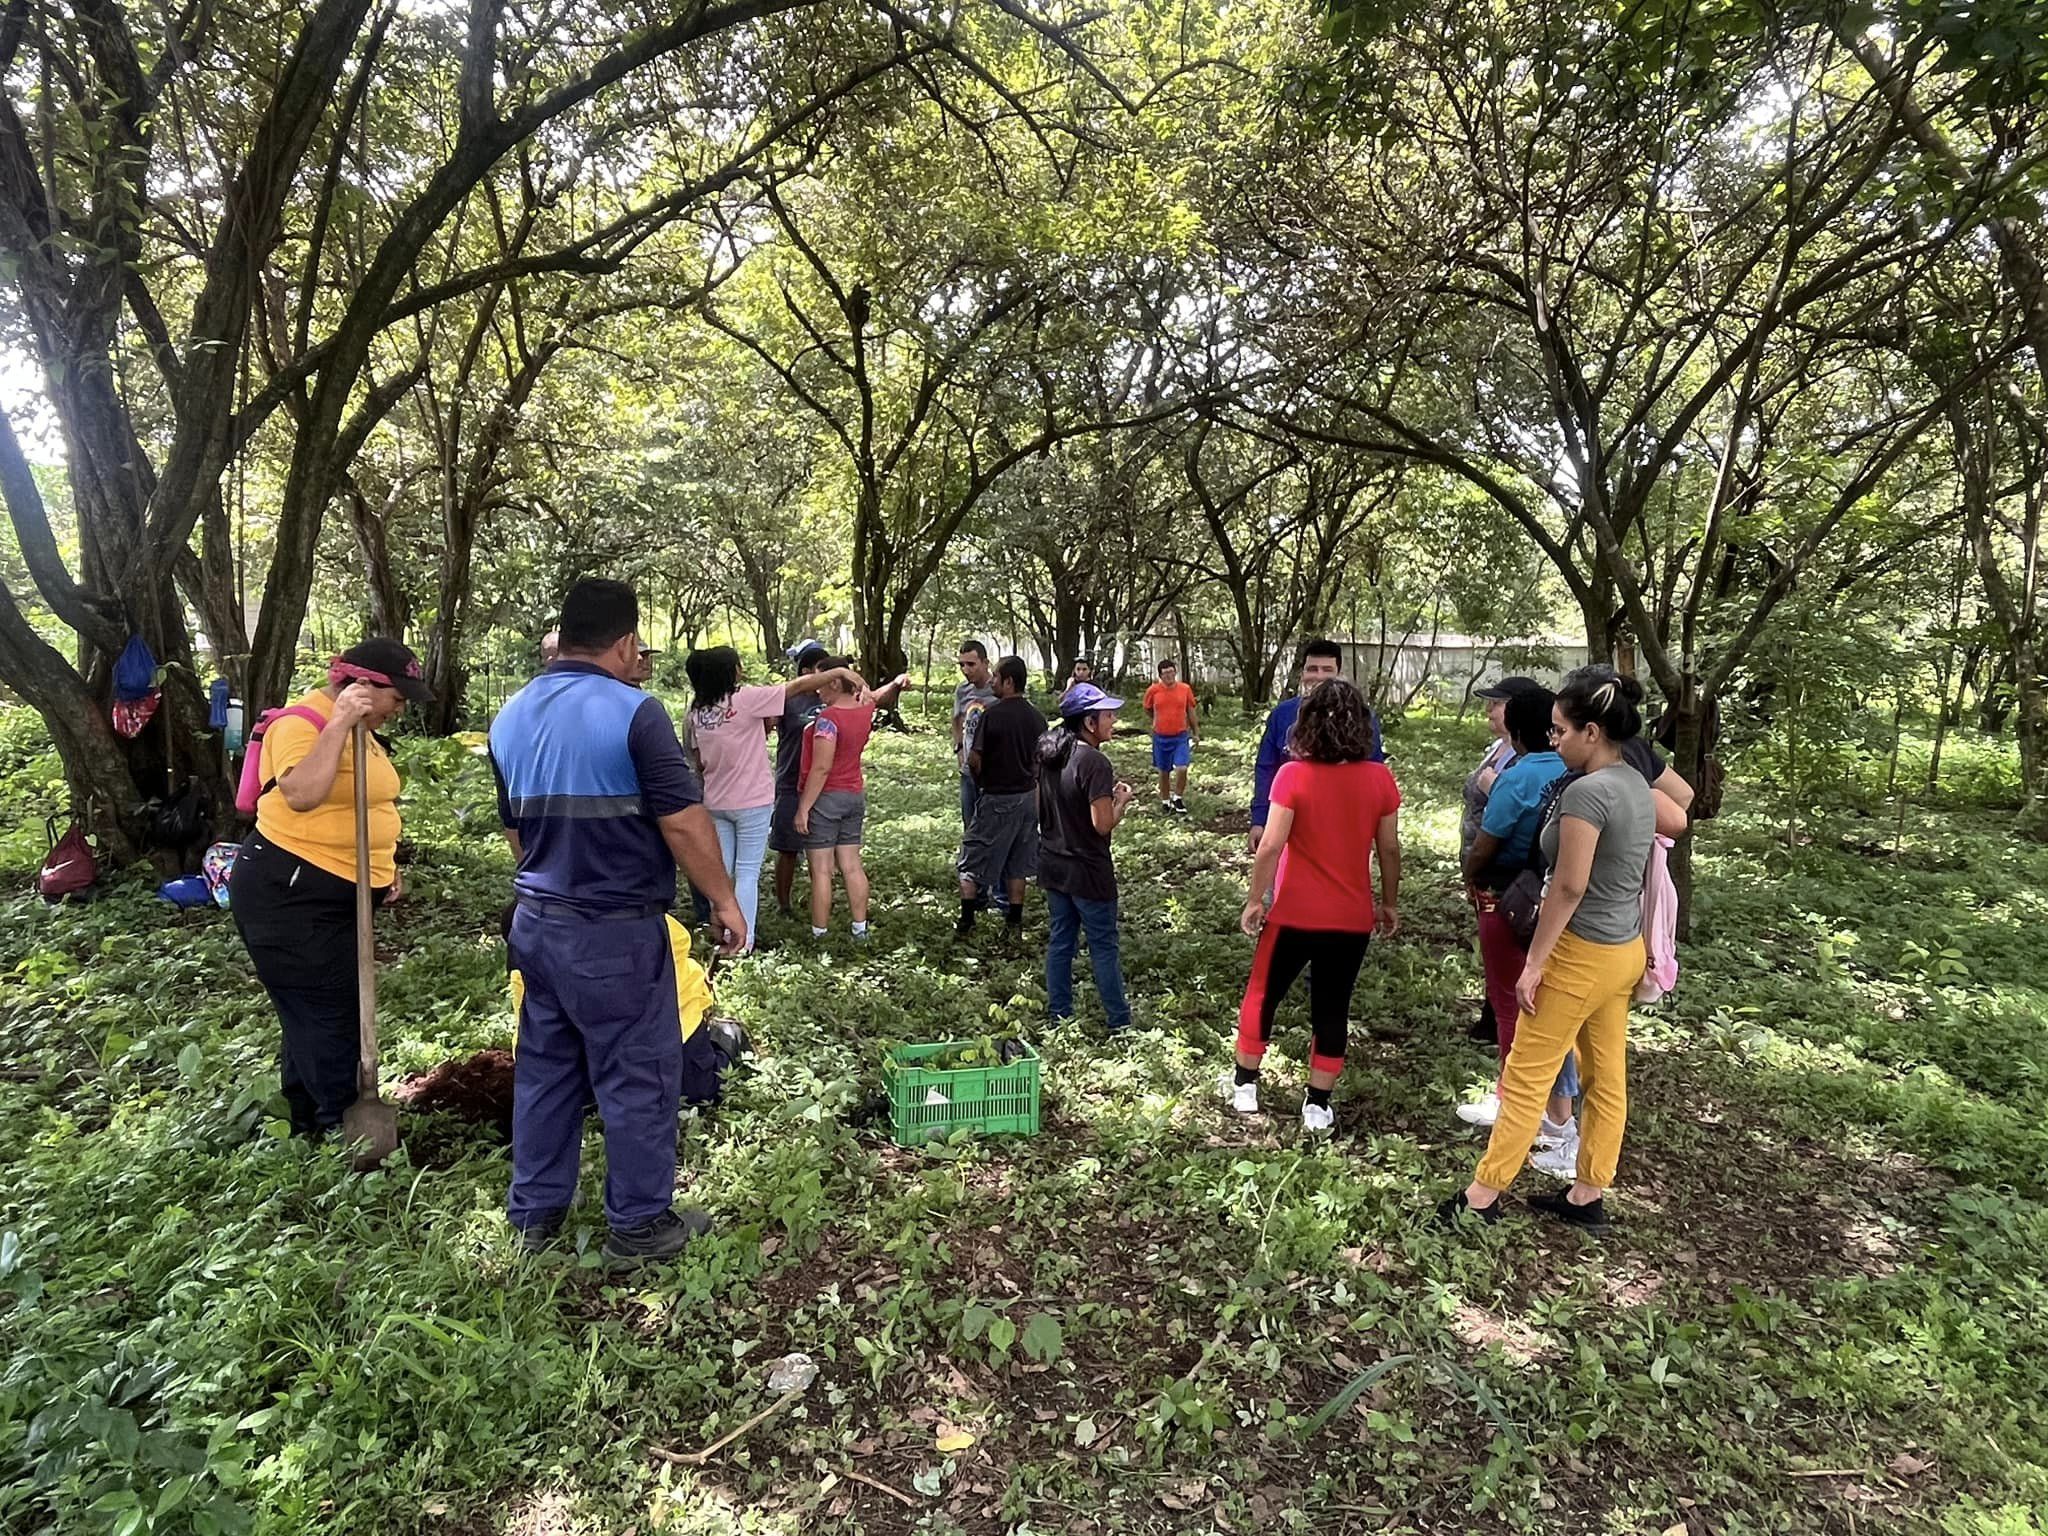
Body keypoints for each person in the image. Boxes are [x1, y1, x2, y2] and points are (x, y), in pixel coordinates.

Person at [488, 578, 746, 1264]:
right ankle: (637, 1224)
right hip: (615, 931)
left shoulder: (508, 716)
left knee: (547, 1070)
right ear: (627, 640)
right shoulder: (637, 713)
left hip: (537, 924)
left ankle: (533, 1219)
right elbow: (685, 821)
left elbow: (517, 831)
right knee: (637, 1073)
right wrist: (722, 899)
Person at [1439, 668, 1656, 1235]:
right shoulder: (1636, 782)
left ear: (1592, 731)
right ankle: (1588, 1192)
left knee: (1528, 1071)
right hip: (1622, 951)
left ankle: (1482, 1195)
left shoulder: (1589, 793)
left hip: (1580, 955)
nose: (1552, 739)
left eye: (1560, 730)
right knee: (1606, 1077)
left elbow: (1567, 886)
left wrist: (1534, 962)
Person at [231, 639, 433, 1139]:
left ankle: (305, 1119)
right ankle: (340, 1126)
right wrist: (340, 721)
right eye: (398, 698)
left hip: (340, 890)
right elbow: (301, 794)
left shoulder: (366, 730)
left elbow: (367, 804)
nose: (401, 709)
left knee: (316, 1008)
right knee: (328, 1011)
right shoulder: (299, 723)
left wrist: (382, 868)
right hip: (289, 893)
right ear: (362, 686)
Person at [1232, 680, 1401, 1132]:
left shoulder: (1293, 776)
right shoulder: (1380, 778)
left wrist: (1254, 900)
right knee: (1332, 1006)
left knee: (1263, 992)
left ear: (1305, 725)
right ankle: (1317, 1104)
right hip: (1350, 918)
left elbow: (1270, 846)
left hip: (1293, 913)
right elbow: (1389, 849)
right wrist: (1388, 903)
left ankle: (1246, 1084)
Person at [1459, 687, 1580, 1169]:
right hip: (1557, 906)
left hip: (1510, 902)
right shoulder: (1573, 772)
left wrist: (1472, 872)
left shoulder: (1519, 777)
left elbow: (1488, 844)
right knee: (1553, 1012)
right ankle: (1555, 1117)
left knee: (1512, 1008)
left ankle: (1520, 1109)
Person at [683, 645, 865, 954]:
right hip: (752, 801)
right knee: (747, 872)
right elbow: (798, 686)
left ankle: (725, 935)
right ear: (729, 672)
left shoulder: (697, 712)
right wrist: (839, 671)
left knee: (723, 871)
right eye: (737, 665)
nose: (741, 668)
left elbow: (700, 761)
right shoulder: (747, 699)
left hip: (716, 801)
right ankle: (744, 940)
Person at [1038, 683, 1136, 1031]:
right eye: (1108, 715)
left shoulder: (1051, 751)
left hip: (1053, 863)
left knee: (1061, 940)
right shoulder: (1094, 762)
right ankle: (1119, 1022)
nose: (1113, 720)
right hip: (1088, 870)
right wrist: (1121, 800)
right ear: (1089, 723)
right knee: (1103, 946)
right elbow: (1102, 824)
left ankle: (1058, 1015)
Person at [1457, 676, 1546, 1042]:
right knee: (1502, 965)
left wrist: (1473, 872)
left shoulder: (1523, 768)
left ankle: (1510, 1071)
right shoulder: (1499, 749)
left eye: (1497, 703)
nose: (1489, 710)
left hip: (1508, 882)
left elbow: (1507, 817)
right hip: (1495, 879)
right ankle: (1492, 1017)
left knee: (1513, 971)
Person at [795, 661, 910, 938]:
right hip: (853, 796)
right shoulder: (864, 709)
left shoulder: (829, 720)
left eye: (821, 681)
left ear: (835, 682)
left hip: (826, 799)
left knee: (821, 871)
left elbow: (821, 768)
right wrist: (894, 682)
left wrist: (804, 808)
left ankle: (819, 934)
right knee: (851, 865)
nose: (816, 689)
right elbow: (875, 695)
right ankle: (860, 929)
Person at [1250, 639, 1384, 855]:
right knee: (1282, 886)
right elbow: (1266, 768)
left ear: (1339, 674)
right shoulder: (1282, 715)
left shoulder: (1362, 717)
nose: (1319, 676)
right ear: (1302, 673)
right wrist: (1259, 819)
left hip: (1345, 829)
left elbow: (1374, 772)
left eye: (1327, 670)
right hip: (1288, 826)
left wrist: (1374, 827)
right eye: (1312, 669)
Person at [957, 656, 1047, 937]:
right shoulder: (1037, 718)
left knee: (971, 857)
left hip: (996, 797)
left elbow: (974, 758)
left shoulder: (992, 715)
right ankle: (1014, 923)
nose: (992, 681)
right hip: (1027, 798)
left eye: (996, 676)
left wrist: (982, 782)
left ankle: (967, 921)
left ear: (1008, 682)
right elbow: (1042, 761)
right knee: (1018, 862)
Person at [771, 642, 835, 916]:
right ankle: (783, 904)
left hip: (825, 785)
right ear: (806, 672)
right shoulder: (787, 700)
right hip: (790, 781)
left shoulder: (832, 698)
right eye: (820, 672)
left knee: (822, 850)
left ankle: (818, 904)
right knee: (787, 849)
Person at [1143, 657, 1199, 813]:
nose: (1169, 676)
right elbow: (1147, 708)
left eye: (1171, 672)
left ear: (1175, 672)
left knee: (1182, 767)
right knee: (1164, 771)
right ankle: (1166, 801)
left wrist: (1196, 733)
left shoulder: (1184, 689)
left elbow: (1191, 711)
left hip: (1180, 735)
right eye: (1165, 673)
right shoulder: (1153, 690)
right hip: (1160, 736)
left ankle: (1178, 798)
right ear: (1160, 676)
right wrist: (1156, 719)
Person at [952, 641, 996, 828]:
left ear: (985, 663)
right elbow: (957, 719)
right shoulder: (963, 691)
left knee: (991, 824)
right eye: (962, 664)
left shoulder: (998, 688)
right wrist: (959, 749)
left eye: (971, 664)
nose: (965, 669)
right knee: (970, 824)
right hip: (969, 770)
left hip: (993, 769)